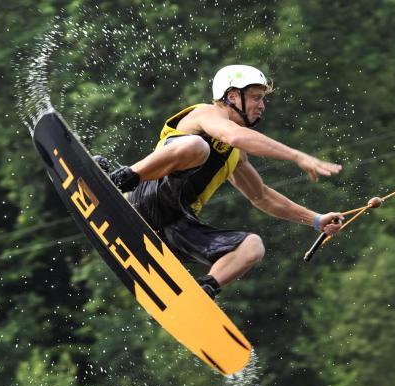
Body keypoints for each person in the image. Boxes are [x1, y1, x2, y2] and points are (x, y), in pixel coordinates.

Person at [97, 65, 344, 299]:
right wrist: (296, 155)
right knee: (198, 147)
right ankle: (118, 180)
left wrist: (315, 219)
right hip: (144, 197)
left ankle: (203, 291)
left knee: (253, 246)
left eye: (262, 99)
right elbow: (233, 135)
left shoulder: (235, 155)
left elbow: (261, 197)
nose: (262, 106)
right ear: (233, 96)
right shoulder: (206, 113)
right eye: (257, 97)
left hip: (176, 229)